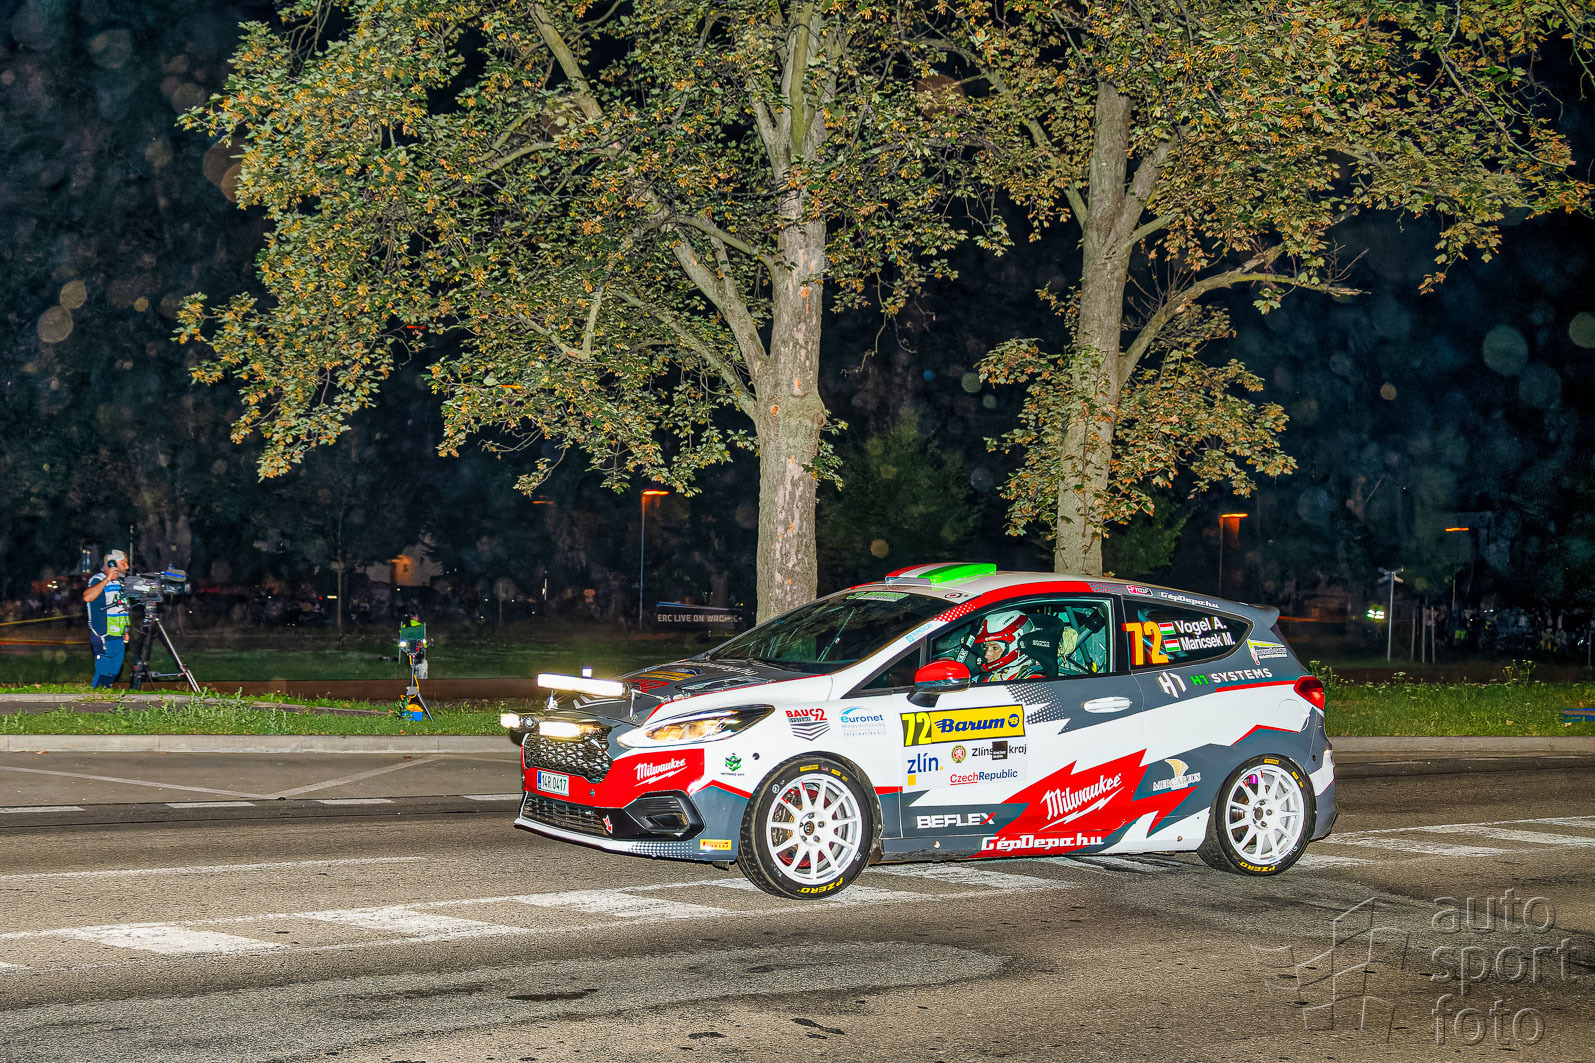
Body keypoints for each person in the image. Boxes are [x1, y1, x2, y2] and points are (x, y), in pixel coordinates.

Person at [83, 549, 130, 688]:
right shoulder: (97, 580)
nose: (127, 567)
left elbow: (122, 608)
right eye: (124, 563)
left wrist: (125, 630)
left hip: (118, 633)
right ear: (112, 563)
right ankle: (96, 694)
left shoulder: (120, 583)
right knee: (104, 668)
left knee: (114, 669)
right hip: (103, 633)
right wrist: (106, 579)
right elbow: (87, 597)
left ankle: (104, 692)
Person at [972, 610, 1047, 682]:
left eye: (995, 648)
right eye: (985, 647)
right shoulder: (992, 677)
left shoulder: (1033, 681)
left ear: (1019, 646)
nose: (987, 655)